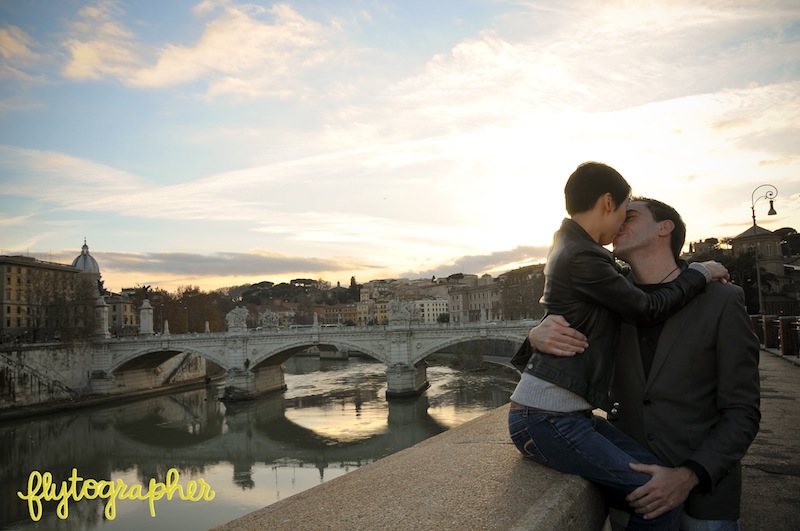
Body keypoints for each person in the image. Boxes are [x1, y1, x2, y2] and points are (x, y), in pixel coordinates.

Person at [507, 162, 728, 531]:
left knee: (659, 479)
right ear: (608, 202)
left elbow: (641, 282)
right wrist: (702, 272)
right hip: (546, 418)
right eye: (625, 210)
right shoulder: (583, 254)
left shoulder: (573, 247)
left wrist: (689, 266)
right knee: (658, 499)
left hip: (565, 415)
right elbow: (647, 306)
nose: (624, 221)